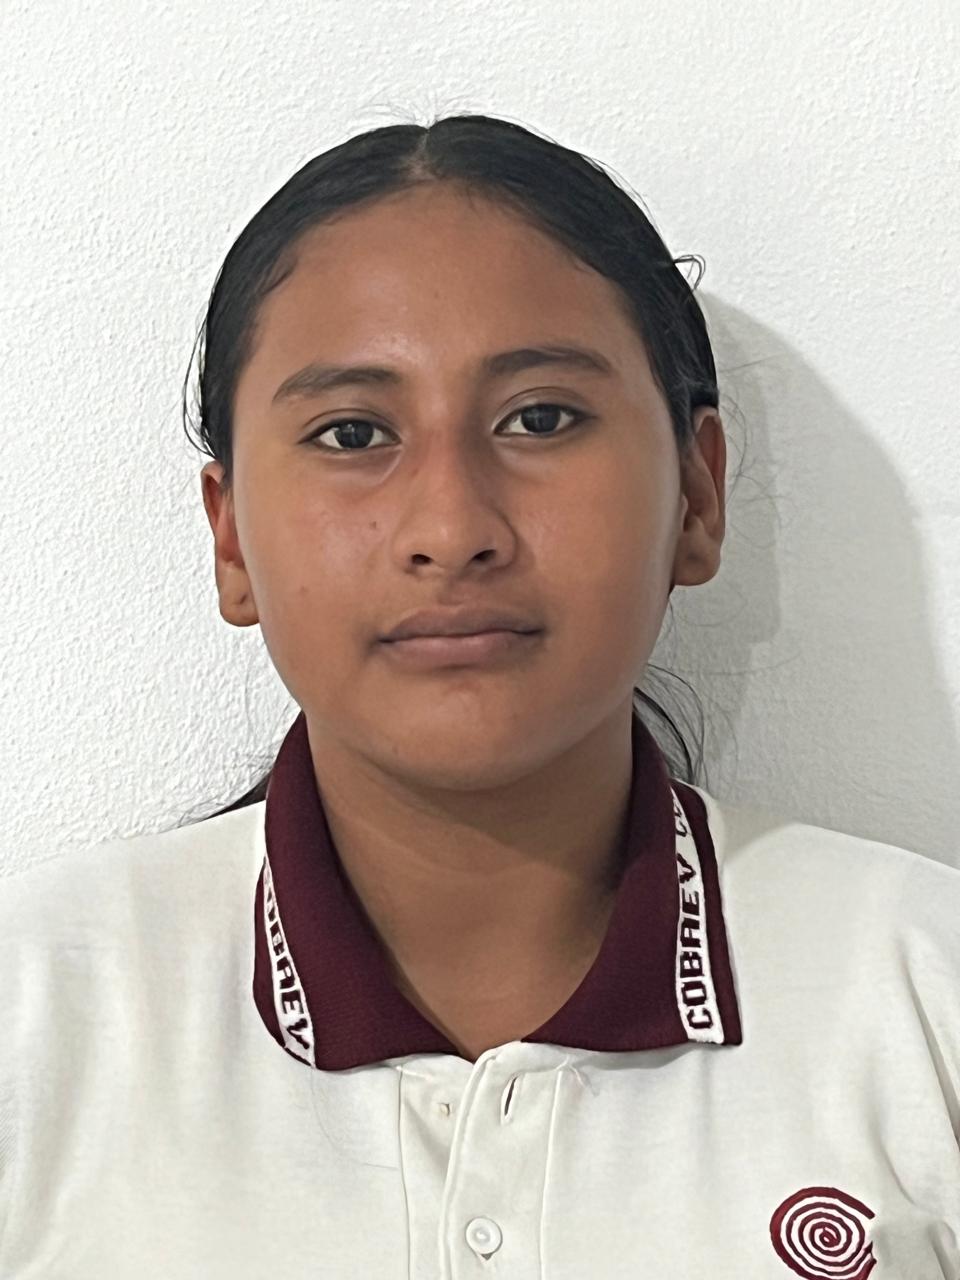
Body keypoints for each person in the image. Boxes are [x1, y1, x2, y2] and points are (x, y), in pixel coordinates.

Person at [1, 114, 958, 1280]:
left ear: (698, 495)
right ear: (232, 535)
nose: (452, 528)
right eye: (353, 432)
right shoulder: (38, 1018)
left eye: (540, 418)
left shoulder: (923, 992)